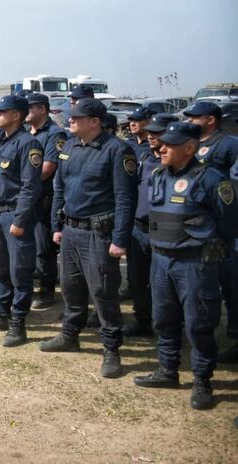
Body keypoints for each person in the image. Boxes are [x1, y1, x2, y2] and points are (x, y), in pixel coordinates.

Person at [133, 121, 237, 410]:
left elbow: (228, 224)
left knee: (199, 324)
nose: (161, 147)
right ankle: (167, 371)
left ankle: (202, 380)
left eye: (170, 144)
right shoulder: (157, 174)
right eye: (161, 142)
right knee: (163, 319)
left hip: (195, 264)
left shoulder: (212, 179)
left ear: (189, 148)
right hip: (161, 259)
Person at [41, 98, 135, 378]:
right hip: (70, 231)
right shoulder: (69, 146)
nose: (70, 120)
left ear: (94, 121)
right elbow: (60, 189)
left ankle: (111, 349)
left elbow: (124, 199)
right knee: (71, 288)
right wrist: (57, 225)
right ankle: (70, 335)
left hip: (99, 233)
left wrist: (119, 239)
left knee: (103, 293)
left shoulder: (117, 150)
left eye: (76, 117)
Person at [0, 95, 42, 347]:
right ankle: (2, 313)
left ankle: (18, 322)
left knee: (19, 270)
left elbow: (30, 187)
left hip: (14, 215)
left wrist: (20, 219)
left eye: (3, 112)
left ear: (16, 116)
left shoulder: (28, 144)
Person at [183, 101, 238, 362]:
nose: (190, 120)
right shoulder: (187, 142)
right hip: (196, 224)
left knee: (231, 283)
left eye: (195, 117)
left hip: (220, 221)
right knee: (202, 285)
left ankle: (235, 335)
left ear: (211, 120)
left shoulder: (228, 143)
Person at [123, 113, 180, 337]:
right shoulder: (145, 157)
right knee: (138, 280)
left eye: (157, 133)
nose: (151, 136)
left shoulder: (178, 163)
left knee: (166, 285)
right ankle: (142, 320)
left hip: (165, 233)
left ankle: (171, 327)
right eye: (151, 132)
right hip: (139, 229)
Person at [26, 93, 68, 309]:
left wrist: (21, 181)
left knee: (44, 247)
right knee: (28, 245)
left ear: (42, 109)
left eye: (30, 107)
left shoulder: (55, 134)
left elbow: (48, 167)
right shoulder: (25, 133)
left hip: (44, 198)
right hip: (26, 198)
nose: (26, 111)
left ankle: (46, 290)